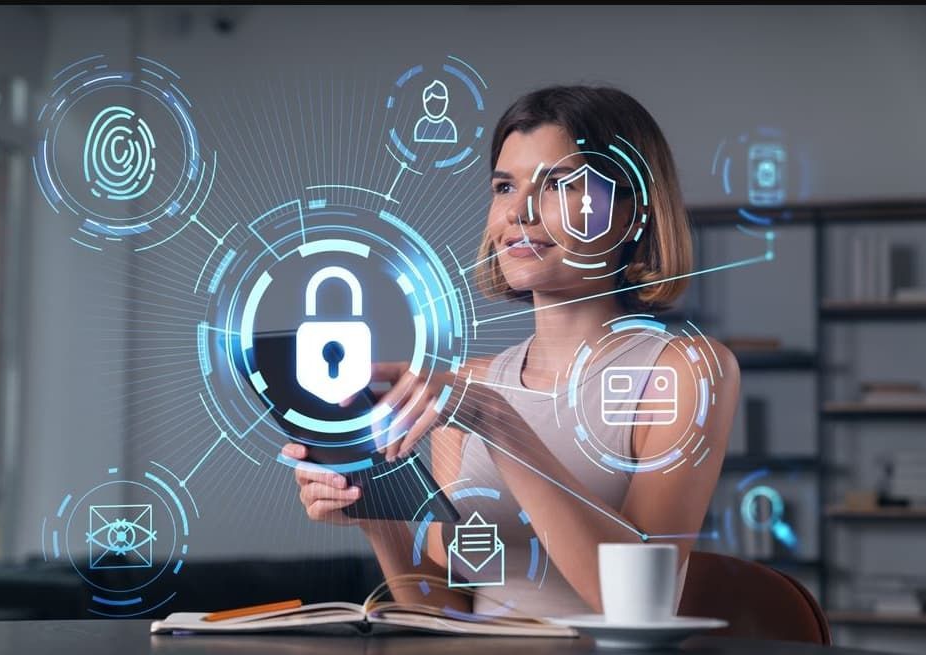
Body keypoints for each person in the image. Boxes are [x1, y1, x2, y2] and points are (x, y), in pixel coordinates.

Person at [284, 85, 740, 617]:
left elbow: (638, 606)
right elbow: (441, 613)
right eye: (505, 186)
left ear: (630, 213)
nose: (518, 212)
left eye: (559, 184)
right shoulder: (465, 385)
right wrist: (377, 515)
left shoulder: (685, 371)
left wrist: (496, 421)